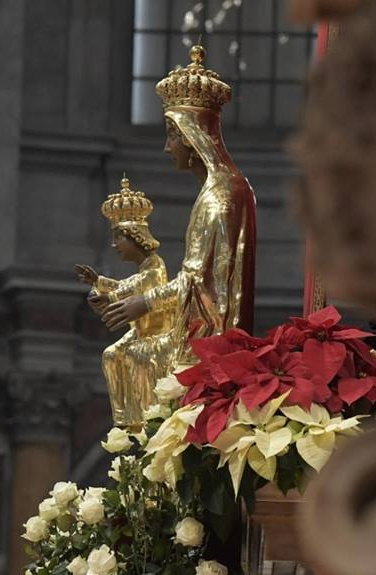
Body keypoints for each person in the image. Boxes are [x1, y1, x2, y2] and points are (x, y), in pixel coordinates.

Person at [100, 45, 258, 351]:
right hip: (198, 330)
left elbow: (197, 282)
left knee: (123, 356)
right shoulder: (223, 187)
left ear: (191, 135)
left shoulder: (221, 196)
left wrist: (145, 302)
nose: (167, 147)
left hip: (207, 345)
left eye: (172, 136)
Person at [75, 176, 176, 431]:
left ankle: (149, 417)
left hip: (154, 337)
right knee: (111, 354)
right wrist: (98, 281)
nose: (114, 245)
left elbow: (134, 291)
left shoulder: (155, 267)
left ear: (135, 238)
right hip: (139, 333)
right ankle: (127, 418)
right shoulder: (143, 269)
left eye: (118, 238)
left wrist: (108, 295)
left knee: (135, 355)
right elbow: (125, 286)